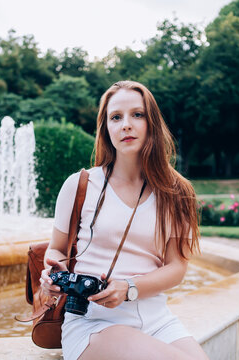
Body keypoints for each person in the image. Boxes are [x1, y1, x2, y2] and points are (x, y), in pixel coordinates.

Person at [40, 80, 209, 360]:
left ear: (151, 122)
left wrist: (129, 288)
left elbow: (177, 267)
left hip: (157, 320)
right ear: (106, 128)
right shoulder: (80, 185)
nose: (126, 125)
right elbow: (55, 248)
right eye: (116, 117)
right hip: (92, 321)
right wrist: (52, 272)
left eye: (137, 115)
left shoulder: (178, 192)